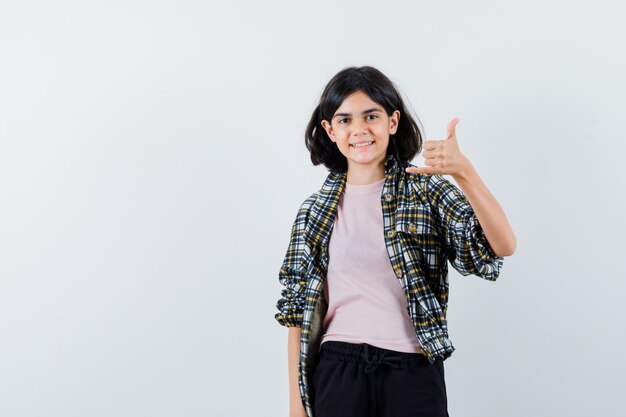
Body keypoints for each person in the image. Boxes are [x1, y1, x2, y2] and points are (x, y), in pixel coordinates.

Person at [275, 66, 516, 417]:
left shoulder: (427, 191)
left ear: (392, 121)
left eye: (371, 116)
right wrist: (296, 407)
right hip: (339, 369)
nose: (359, 130)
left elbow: (501, 246)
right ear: (329, 130)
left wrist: (463, 171)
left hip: (413, 370)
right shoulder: (314, 213)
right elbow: (297, 313)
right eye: (344, 120)